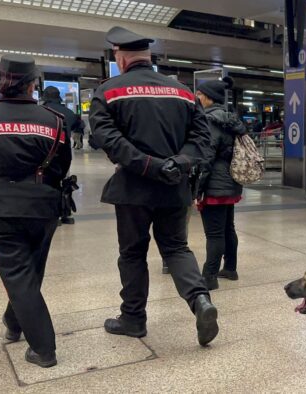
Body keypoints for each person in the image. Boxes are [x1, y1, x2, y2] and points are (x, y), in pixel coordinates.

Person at [89, 26, 218, 347]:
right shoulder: (185, 93)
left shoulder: (108, 91)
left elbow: (108, 140)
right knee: (176, 248)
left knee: (132, 253)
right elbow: (201, 140)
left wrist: (148, 165)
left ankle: (133, 318)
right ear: (149, 57)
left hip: (133, 189)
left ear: (120, 57)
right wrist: (178, 163)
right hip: (175, 186)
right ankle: (200, 300)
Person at [0, 55, 72, 368]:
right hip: (44, 204)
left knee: (16, 272)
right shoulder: (54, 119)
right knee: (31, 268)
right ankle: (14, 323)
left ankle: (44, 348)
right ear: (32, 83)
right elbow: (62, 167)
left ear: (2, 79)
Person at [195, 78, 247, 290]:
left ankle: (209, 275)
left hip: (215, 184)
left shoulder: (209, 120)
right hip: (231, 180)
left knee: (215, 233)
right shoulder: (229, 118)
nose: (197, 97)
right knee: (228, 228)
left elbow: (206, 158)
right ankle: (231, 268)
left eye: (199, 94)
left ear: (208, 97)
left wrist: (197, 188)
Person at [42, 86, 81, 225]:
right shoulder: (69, 112)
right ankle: (65, 214)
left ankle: (52, 215)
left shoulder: (41, 111)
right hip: (64, 152)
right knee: (65, 183)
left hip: (45, 153)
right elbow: (79, 125)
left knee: (47, 183)